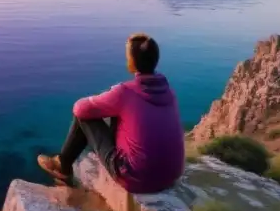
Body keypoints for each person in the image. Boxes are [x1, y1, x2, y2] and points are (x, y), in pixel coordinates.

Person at [37, 33, 185, 194]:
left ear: (133, 62)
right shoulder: (169, 92)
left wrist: (108, 95)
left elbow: (79, 108)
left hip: (136, 178)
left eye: (128, 55)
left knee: (84, 117)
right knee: (119, 114)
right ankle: (63, 164)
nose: (126, 58)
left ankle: (63, 166)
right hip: (171, 174)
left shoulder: (124, 92)